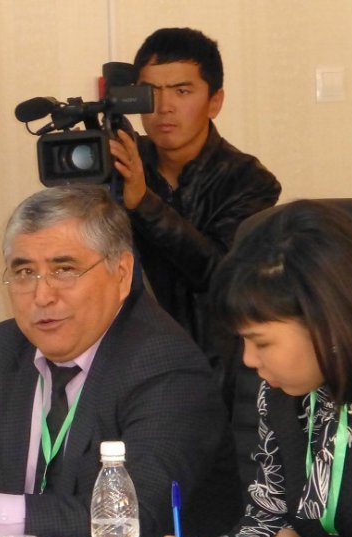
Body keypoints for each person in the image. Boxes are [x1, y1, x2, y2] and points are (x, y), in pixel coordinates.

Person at [0, 184, 241, 537]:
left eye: (64, 270)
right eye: (24, 272)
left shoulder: (164, 365)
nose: (42, 296)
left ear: (122, 273)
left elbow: (134, 518)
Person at [151, 200, 352, 537]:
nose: (249, 360)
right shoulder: (283, 388)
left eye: (262, 342)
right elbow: (266, 525)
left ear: (327, 323)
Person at [109, 27, 281, 373]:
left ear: (214, 102)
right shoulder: (118, 163)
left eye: (182, 91)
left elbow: (219, 274)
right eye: (150, 92)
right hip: (133, 358)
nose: (163, 107)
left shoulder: (249, 180)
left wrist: (143, 202)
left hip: (219, 367)